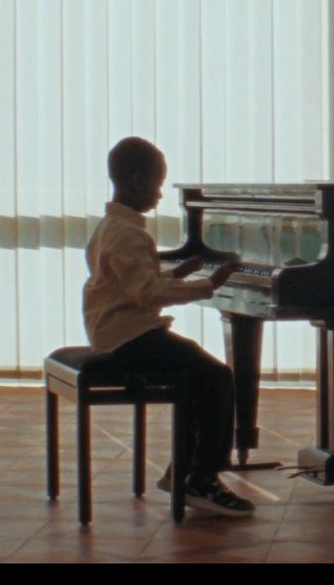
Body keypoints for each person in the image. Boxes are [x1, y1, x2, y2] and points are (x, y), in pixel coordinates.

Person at [81, 136, 255, 516]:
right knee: (217, 377)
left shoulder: (111, 225)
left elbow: (131, 284)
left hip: (119, 330)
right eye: (159, 185)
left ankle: (184, 470)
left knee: (197, 373)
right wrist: (209, 284)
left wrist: (179, 272)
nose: (161, 194)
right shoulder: (128, 233)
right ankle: (202, 479)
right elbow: (146, 293)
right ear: (139, 180)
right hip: (129, 338)